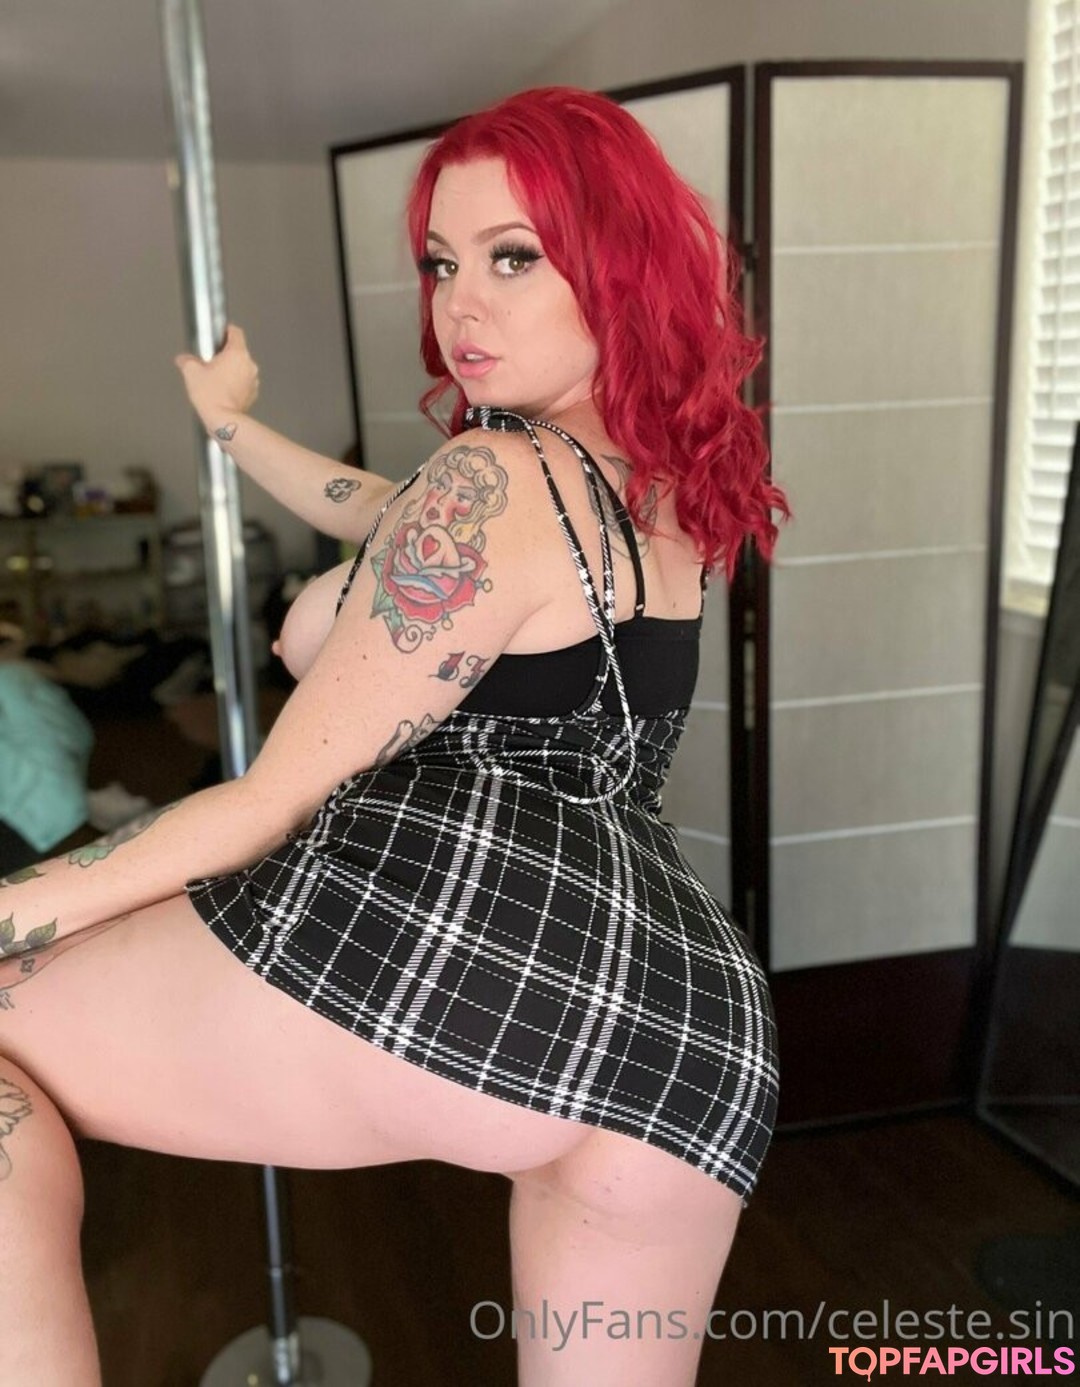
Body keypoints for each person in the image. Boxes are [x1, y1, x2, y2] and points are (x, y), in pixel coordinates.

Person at [0, 85, 789, 1386]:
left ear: (616, 266)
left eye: (513, 258)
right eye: (440, 263)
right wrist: (233, 426)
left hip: (473, 939)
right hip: (688, 1025)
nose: (460, 304)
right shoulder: (665, 489)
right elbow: (377, 504)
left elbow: (259, 806)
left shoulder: (490, 481)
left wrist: (15, 903)